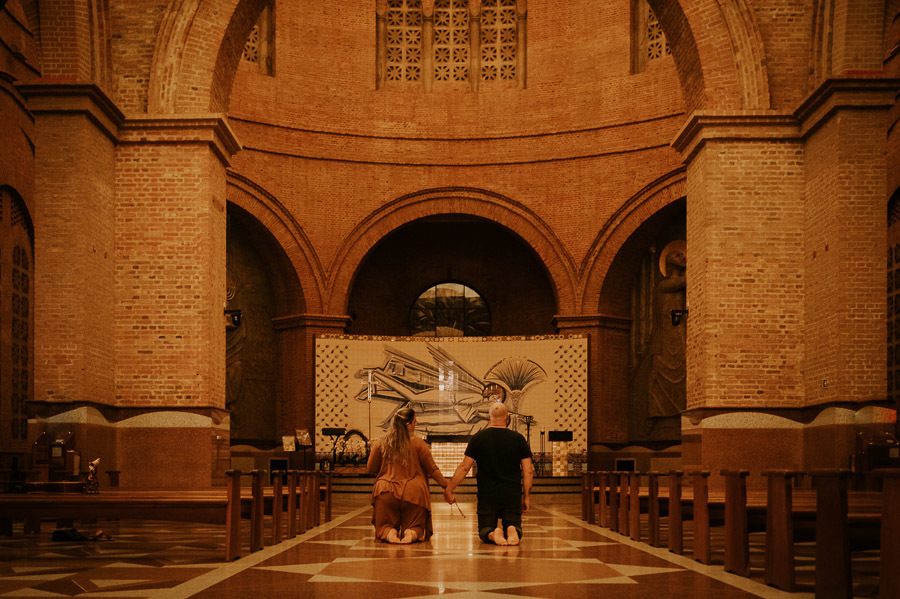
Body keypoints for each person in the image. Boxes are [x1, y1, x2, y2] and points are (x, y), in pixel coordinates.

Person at [443, 402, 534, 546]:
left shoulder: (478, 438)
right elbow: (528, 471)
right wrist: (526, 496)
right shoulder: (518, 439)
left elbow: (464, 467)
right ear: (507, 417)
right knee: (515, 525)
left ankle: (492, 534)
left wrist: (450, 488)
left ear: (488, 417)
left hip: (487, 494)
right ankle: (511, 529)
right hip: (512, 493)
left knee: (484, 529)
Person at [366, 407, 449, 543]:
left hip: (385, 490)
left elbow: (370, 468)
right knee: (415, 525)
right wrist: (447, 486)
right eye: (415, 422)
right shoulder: (419, 444)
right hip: (413, 492)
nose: (416, 425)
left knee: (385, 525)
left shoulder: (381, 443)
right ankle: (411, 533)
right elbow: (432, 470)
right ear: (409, 424)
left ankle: (390, 533)